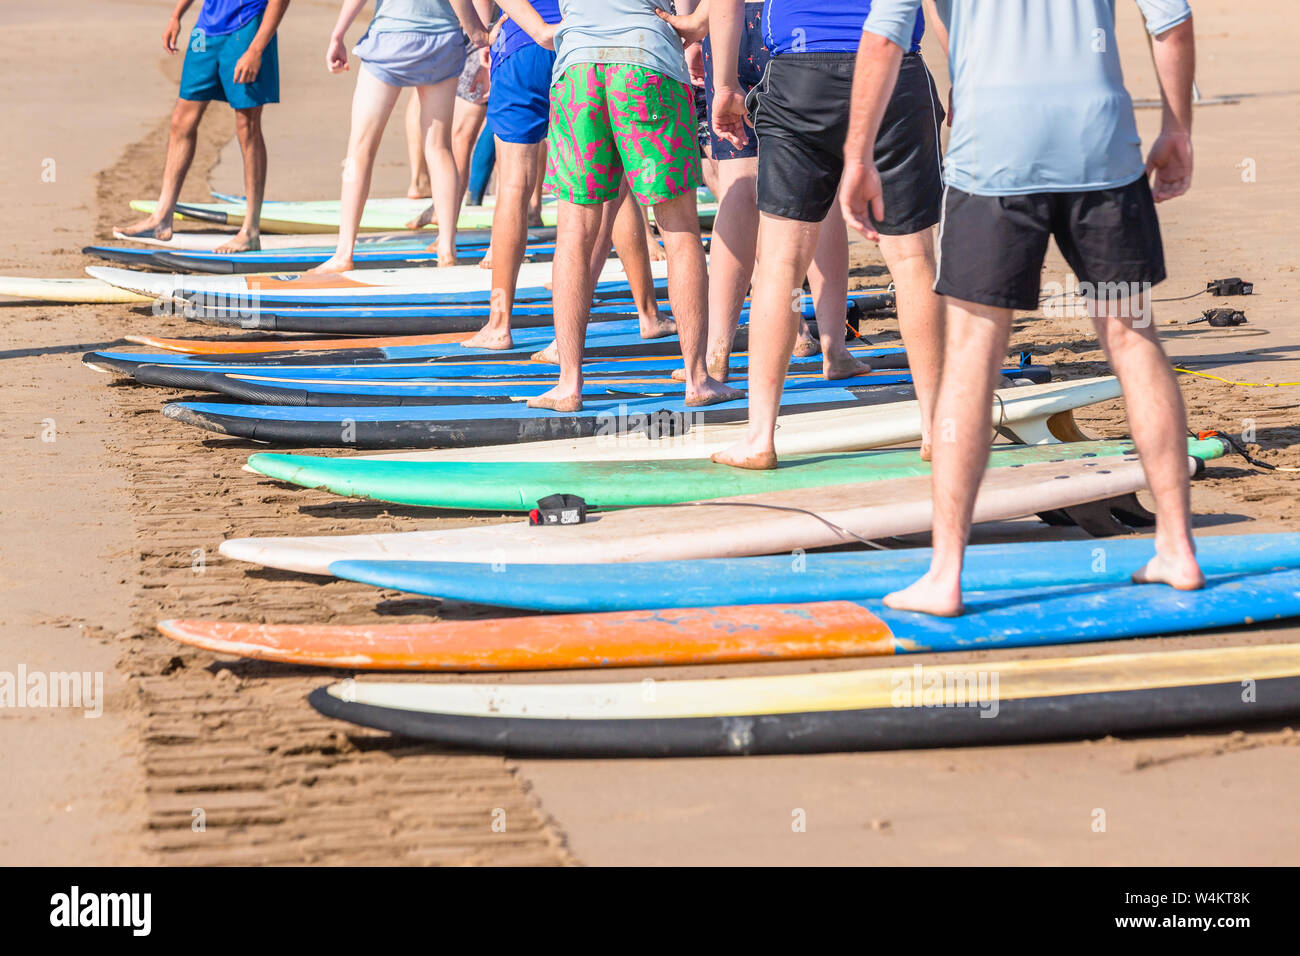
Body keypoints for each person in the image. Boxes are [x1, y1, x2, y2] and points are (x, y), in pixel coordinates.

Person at [846, 0, 1200, 616]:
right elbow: (1170, 19)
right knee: (1133, 340)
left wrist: (857, 157)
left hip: (995, 159)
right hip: (1102, 154)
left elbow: (883, 38)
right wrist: (1177, 127)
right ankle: (1177, 546)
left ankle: (946, 574)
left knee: (972, 358)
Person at [706, 0, 947, 470]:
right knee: (913, 258)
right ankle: (938, 429)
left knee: (780, 265)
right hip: (895, 70)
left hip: (801, 74)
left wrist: (724, 85)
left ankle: (759, 438)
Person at [522, 0, 742, 411]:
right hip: (648, 62)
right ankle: (696, 379)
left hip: (577, 69)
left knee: (573, 235)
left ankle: (569, 383)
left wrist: (538, 28)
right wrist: (696, 23)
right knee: (679, 230)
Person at [661, 1, 871, 381]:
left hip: (728, 29)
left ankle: (715, 352)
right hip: (796, 30)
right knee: (824, 187)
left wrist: (696, 31)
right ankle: (832, 347)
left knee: (739, 186)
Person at [310, 0, 490, 273]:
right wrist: (481, 40)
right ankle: (447, 248)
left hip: (390, 37)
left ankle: (344, 253)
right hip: (443, 42)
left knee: (360, 150)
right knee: (439, 148)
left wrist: (338, 35)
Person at [117, 0, 290, 253]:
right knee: (181, 120)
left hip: (248, 28)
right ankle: (161, 218)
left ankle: (250, 230)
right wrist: (177, 14)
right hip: (206, 29)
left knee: (247, 124)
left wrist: (256, 49)